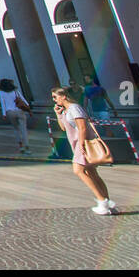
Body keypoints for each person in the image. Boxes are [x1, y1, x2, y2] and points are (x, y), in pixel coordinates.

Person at [52, 86, 116, 215]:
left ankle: (102, 201)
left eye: (55, 96)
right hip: (77, 144)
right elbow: (64, 128)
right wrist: (58, 114)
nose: (54, 100)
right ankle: (107, 203)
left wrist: (81, 145)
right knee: (92, 173)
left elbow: (82, 128)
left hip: (83, 143)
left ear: (64, 96)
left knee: (78, 170)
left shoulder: (75, 108)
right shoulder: (66, 110)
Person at [0, 78, 32, 155]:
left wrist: (4, 114)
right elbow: (23, 99)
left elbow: (3, 103)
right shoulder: (15, 91)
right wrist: (28, 108)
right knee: (24, 129)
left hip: (10, 112)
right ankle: (27, 147)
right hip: (19, 111)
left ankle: (21, 146)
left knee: (16, 129)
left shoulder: (1, 92)